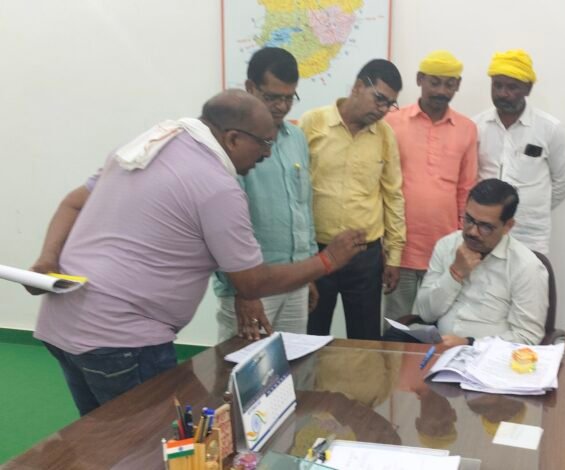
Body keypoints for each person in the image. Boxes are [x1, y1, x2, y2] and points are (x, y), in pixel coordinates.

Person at [28, 90, 366, 415]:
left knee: (104, 435)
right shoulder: (217, 186)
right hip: (122, 340)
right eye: (265, 143)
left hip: (63, 323)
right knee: (153, 441)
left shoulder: (151, 142)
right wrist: (329, 260)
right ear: (233, 139)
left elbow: (72, 203)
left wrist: (47, 259)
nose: (267, 154)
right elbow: (252, 282)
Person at [212, 48, 318, 341]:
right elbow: (224, 226)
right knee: (244, 365)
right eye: (272, 97)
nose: (282, 107)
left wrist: (307, 273)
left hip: (294, 283)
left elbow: (303, 207)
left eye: (289, 98)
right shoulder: (232, 142)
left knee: (293, 362)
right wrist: (242, 292)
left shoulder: (297, 138)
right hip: (253, 287)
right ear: (250, 88)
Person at [300, 59, 406, 340]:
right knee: (311, 337)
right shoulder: (313, 123)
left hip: (364, 256)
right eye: (380, 99)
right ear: (358, 86)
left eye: (390, 104)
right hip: (317, 252)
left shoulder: (385, 135)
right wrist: (300, 256)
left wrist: (394, 257)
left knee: (365, 340)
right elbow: (296, 191)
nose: (383, 110)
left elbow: (393, 195)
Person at [386, 179, 548, 350]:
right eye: (469, 219)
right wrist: (455, 273)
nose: (472, 232)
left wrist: (470, 344)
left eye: (485, 227)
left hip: (488, 357)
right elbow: (426, 314)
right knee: (391, 340)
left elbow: (527, 337)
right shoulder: (447, 245)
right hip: (438, 348)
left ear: (508, 226)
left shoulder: (526, 267)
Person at [384, 50, 478, 320]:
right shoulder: (391, 123)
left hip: (445, 252)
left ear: (458, 85)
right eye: (434, 82)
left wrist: (463, 243)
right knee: (398, 326)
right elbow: (382, 188)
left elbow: (466, 190)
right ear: (419, 79)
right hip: (400, 251)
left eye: (449, 84)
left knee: (440, 326)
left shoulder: (467, 128)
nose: (441, 91)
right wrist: (387, 249)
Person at [474, 49, 565, 254]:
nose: (503, 93)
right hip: (483, 233)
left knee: (530, 277)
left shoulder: (550, 129)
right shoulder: (476, 126)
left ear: (528, 89)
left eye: (512, 87)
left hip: (529, 236)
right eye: (497, 85)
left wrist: (532, 209)